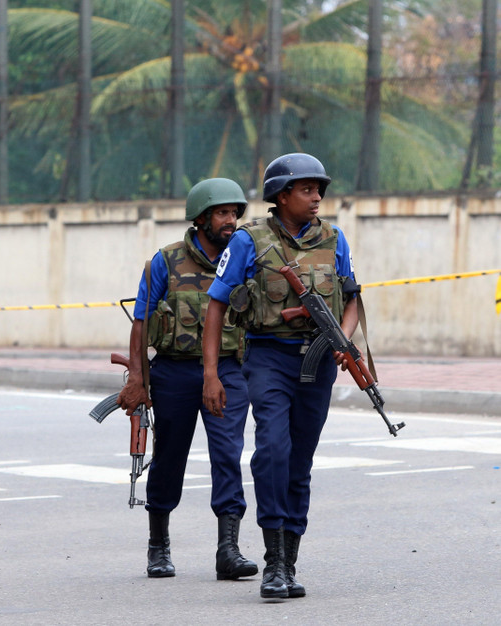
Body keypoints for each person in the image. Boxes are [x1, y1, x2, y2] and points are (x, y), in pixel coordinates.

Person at [202, 153, 359, 600]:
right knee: (273, 448)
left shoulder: (334, 239)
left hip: (320, 359)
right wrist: (211, 373)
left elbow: (351, 299)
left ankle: (290, 561)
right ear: (282, 195)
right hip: (269, 356)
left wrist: (343, 341)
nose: (316, 198)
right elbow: (216, 304)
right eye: (307, 190)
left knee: (300, 459)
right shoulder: (250, 241)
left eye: (319, 190)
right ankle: (272, 561)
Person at [117, 178, 257, 581]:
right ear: (201, 219)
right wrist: (137, 378)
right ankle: (158, 545)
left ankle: (228, 549)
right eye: (222, 213)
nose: (231, 221)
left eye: (234, 213)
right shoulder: (167, 261)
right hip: (175, 370)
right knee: (170, 458)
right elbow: (141, 323)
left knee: (229, 454)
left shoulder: (245, 256)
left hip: (228, 368)